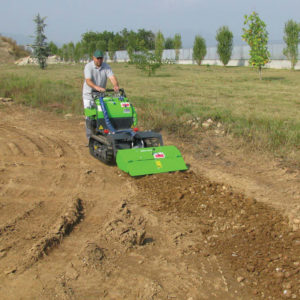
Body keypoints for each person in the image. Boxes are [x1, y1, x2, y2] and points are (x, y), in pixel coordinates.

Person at [82, 49, 119, 143]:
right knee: (90, 117)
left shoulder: (106, 66)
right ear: (93, 58)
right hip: (89, 95)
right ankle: (89, 138)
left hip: (100, 96)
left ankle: (102, 134)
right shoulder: (88, 67)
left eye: (101, 58)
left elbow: (112, 77)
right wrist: (96, 87)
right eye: (97, 58)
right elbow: (88, 80)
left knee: (102, 115)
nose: (99, 60)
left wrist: (115, 85)